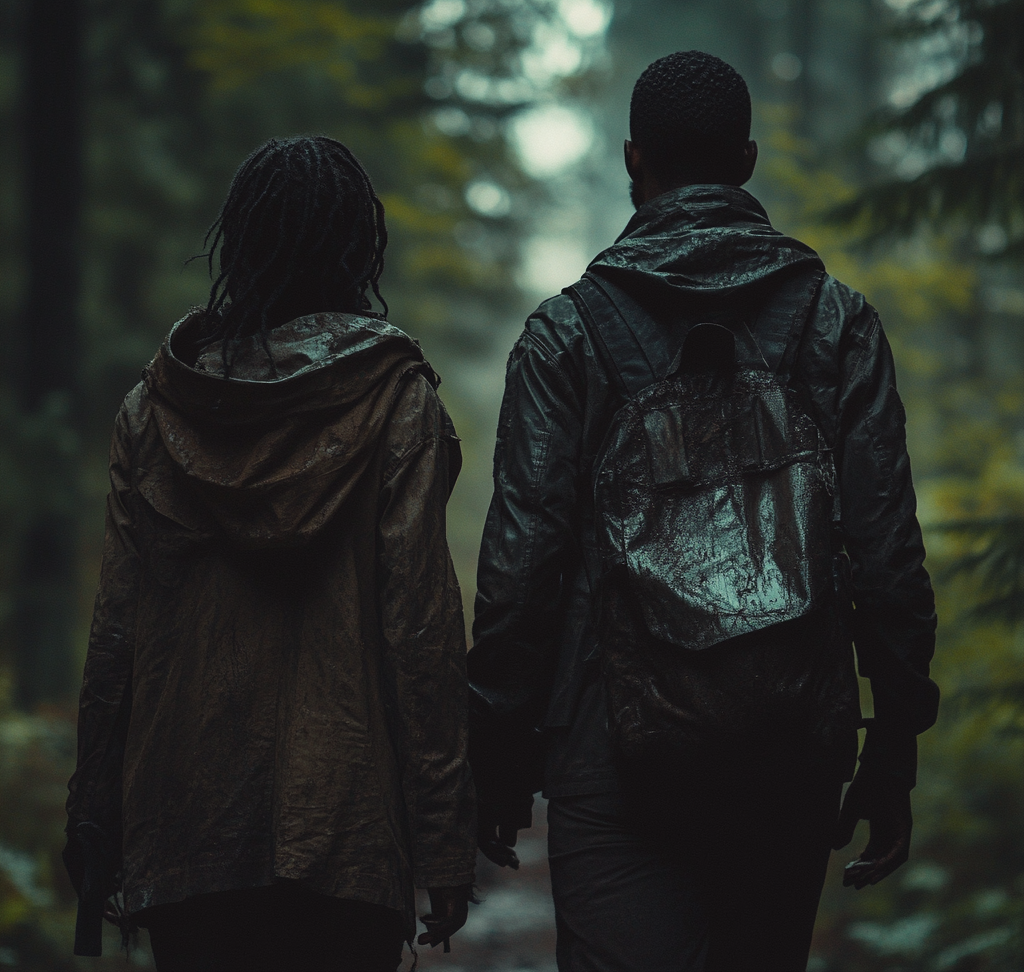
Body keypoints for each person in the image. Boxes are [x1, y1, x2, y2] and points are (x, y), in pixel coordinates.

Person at [467, 52, 939, 972]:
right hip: (791, 737)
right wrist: (893, 747)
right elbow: (886, 555)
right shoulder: (837, 324)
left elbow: (523, 563)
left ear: (633, 160)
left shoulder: (568, 333)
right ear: (749, 161)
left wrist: (498, 754)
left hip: (611, 748)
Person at [64, 136, 476, 972]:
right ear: (360, 249)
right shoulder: (398, 407)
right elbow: (421, 639)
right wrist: (444, 843)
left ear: (239, 245)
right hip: (347, 837)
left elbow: (116, 639)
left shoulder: (155, 412)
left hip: (186, 832)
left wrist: (94, 820)